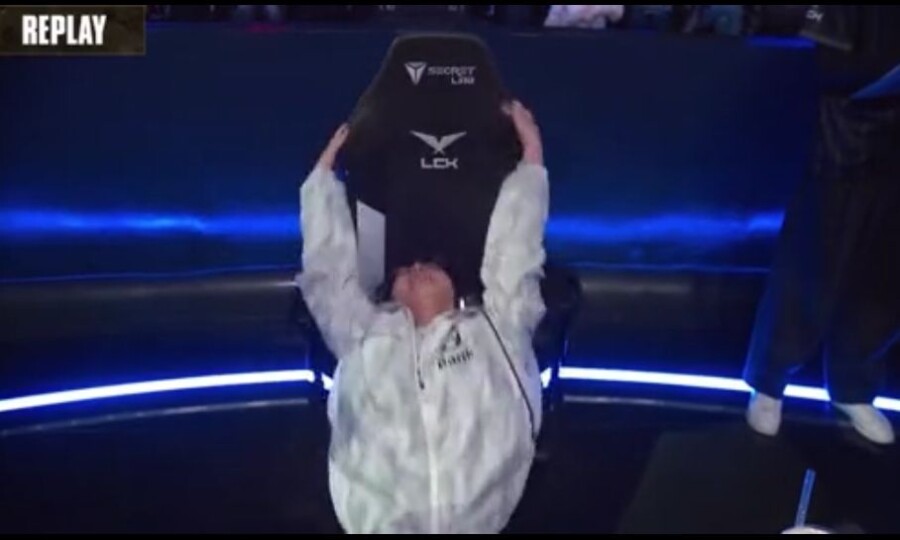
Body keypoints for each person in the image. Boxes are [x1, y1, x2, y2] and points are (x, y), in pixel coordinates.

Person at [297, 101, 549, 533]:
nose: (415, 269)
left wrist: (320, 182)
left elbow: (327, 278)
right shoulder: (500, 333)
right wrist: (532, 160)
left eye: (414, 269)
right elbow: (516, 260)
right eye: (416, 268)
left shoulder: (364, 339)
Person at [744, 5, 900, 445]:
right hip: (846, 123)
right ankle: (770, 382)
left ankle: (854, 385)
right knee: (816, 254)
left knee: (886, 275)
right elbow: (812, 40)